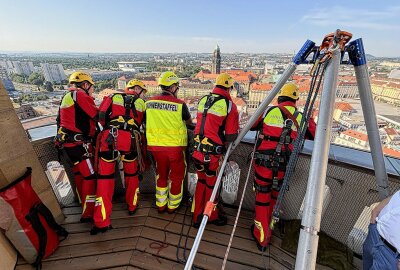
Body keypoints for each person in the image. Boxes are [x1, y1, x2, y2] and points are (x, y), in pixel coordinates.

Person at [250, 82, 316, 251]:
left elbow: (253, 125)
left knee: (262, 198)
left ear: (280, 97)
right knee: (274, 197)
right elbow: (315, 135)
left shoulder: (269, 111)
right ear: (295, 99)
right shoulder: (302, 117)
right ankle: (269, 228)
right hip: (283, 168)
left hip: (264, 165)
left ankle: (262, 237)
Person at [90, 79, 147, 234]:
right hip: (131, 140)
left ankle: (101, 221)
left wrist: (111, 126)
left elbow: (100, 116)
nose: (143, 94)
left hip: (109, 138)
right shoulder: (142, 104)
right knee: (131, 175)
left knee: (104, 180)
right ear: (136, 88)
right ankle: (132, 206)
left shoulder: (113, 97)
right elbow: (143, 124)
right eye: (142, 91)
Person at [191, 73, 239, 227]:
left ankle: (196, 216)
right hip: (212, 154)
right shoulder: (229, 104)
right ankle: (210, 217)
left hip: (198, 150)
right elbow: (231, 136)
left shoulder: (204, 100)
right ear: (230, 87)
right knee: (212, 187)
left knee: (201, 182)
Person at [145, 71, 192, 214]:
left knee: (161, 176)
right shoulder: (180, 104)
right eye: (176, 87)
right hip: (175, 149)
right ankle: (172, 206)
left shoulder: (149, 103)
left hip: (156, 148)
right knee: (177, 177)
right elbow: (189, 123)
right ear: (172, 87)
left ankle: (161, 204)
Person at [55, 71, 98, 222]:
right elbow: (97, 116)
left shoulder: (67, 96)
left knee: (80, 176)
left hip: (68, 146)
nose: (92, 90)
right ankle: (88, 213)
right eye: (92, 87)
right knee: (91, 177)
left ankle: (83, 204)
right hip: (80, 147)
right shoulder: (80, 95)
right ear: (85, 85)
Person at [363, 190, 400, 269]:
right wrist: (375, 212)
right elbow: (395, 197)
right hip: (375, 233)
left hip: (391, 254)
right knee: (366, 263)